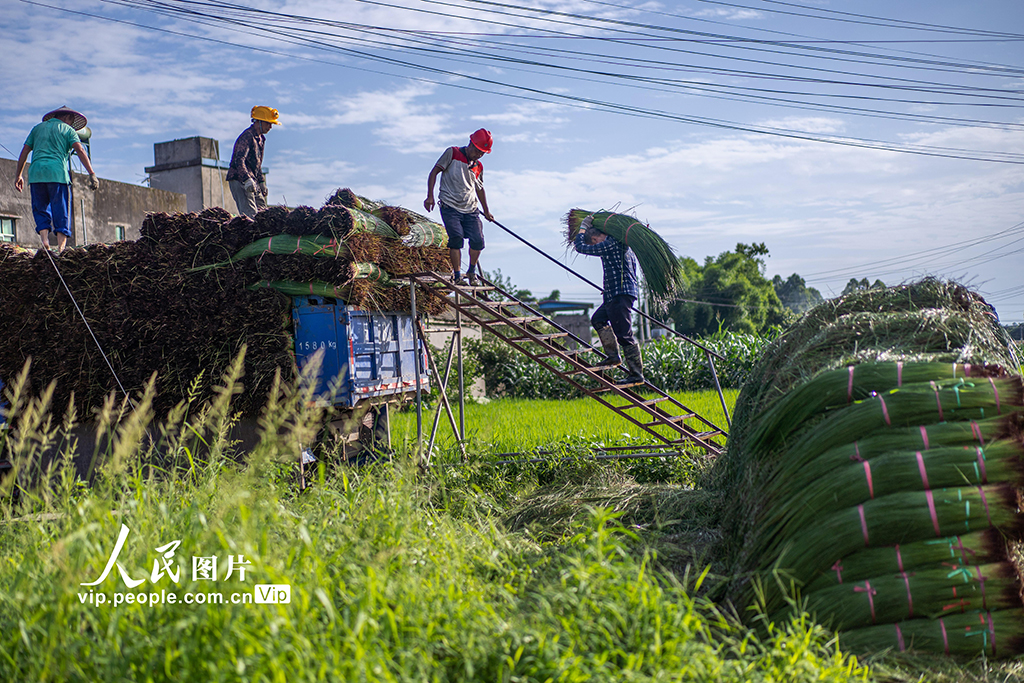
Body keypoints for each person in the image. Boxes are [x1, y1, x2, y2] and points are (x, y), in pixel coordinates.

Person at [14, 106, 98, 253]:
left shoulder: (37, 128)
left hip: (36, 175)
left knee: (40, 209)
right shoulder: (68, 130)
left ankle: (45, 241)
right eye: (71, 121)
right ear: (67, 118)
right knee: (61, 209)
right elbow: (80, 150)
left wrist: (18, 175)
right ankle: (61, 247)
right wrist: (91, 173)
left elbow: (25, 151)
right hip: (57, 174)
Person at [573, 216, 645, 385]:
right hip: (614, 294)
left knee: (624, 334)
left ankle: (636, 374)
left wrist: (582, 228)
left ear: (595, 238)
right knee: (598, 319)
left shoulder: (611, 244)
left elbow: (580, 247)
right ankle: (613, 356)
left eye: (594, 243)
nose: (595, 247)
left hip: (619, 295)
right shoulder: (622, 245)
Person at [423, 129, 495, 285]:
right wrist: (430, 196)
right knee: (456, 238)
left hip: (471, 209)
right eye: (477, 151)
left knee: (478, 241)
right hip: (450, 206)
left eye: (482, 153)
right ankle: (457, 275)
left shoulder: (479, 166)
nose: (478, 155)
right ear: (470, 143)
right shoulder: (452, 153)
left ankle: (471, 272)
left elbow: (480, 189)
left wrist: (487, 211)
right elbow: (434, 172)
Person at [226, 105, 280, 218]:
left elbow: (257, 165)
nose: (270, 127)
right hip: (240, 179)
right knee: (251, 215)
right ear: (258, 122)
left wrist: (261, 182)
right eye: (268, 123)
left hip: (253, 180)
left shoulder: (261, 139)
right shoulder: (247, 136)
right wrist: (246, 179)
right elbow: (239, 160)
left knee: (263, 213)